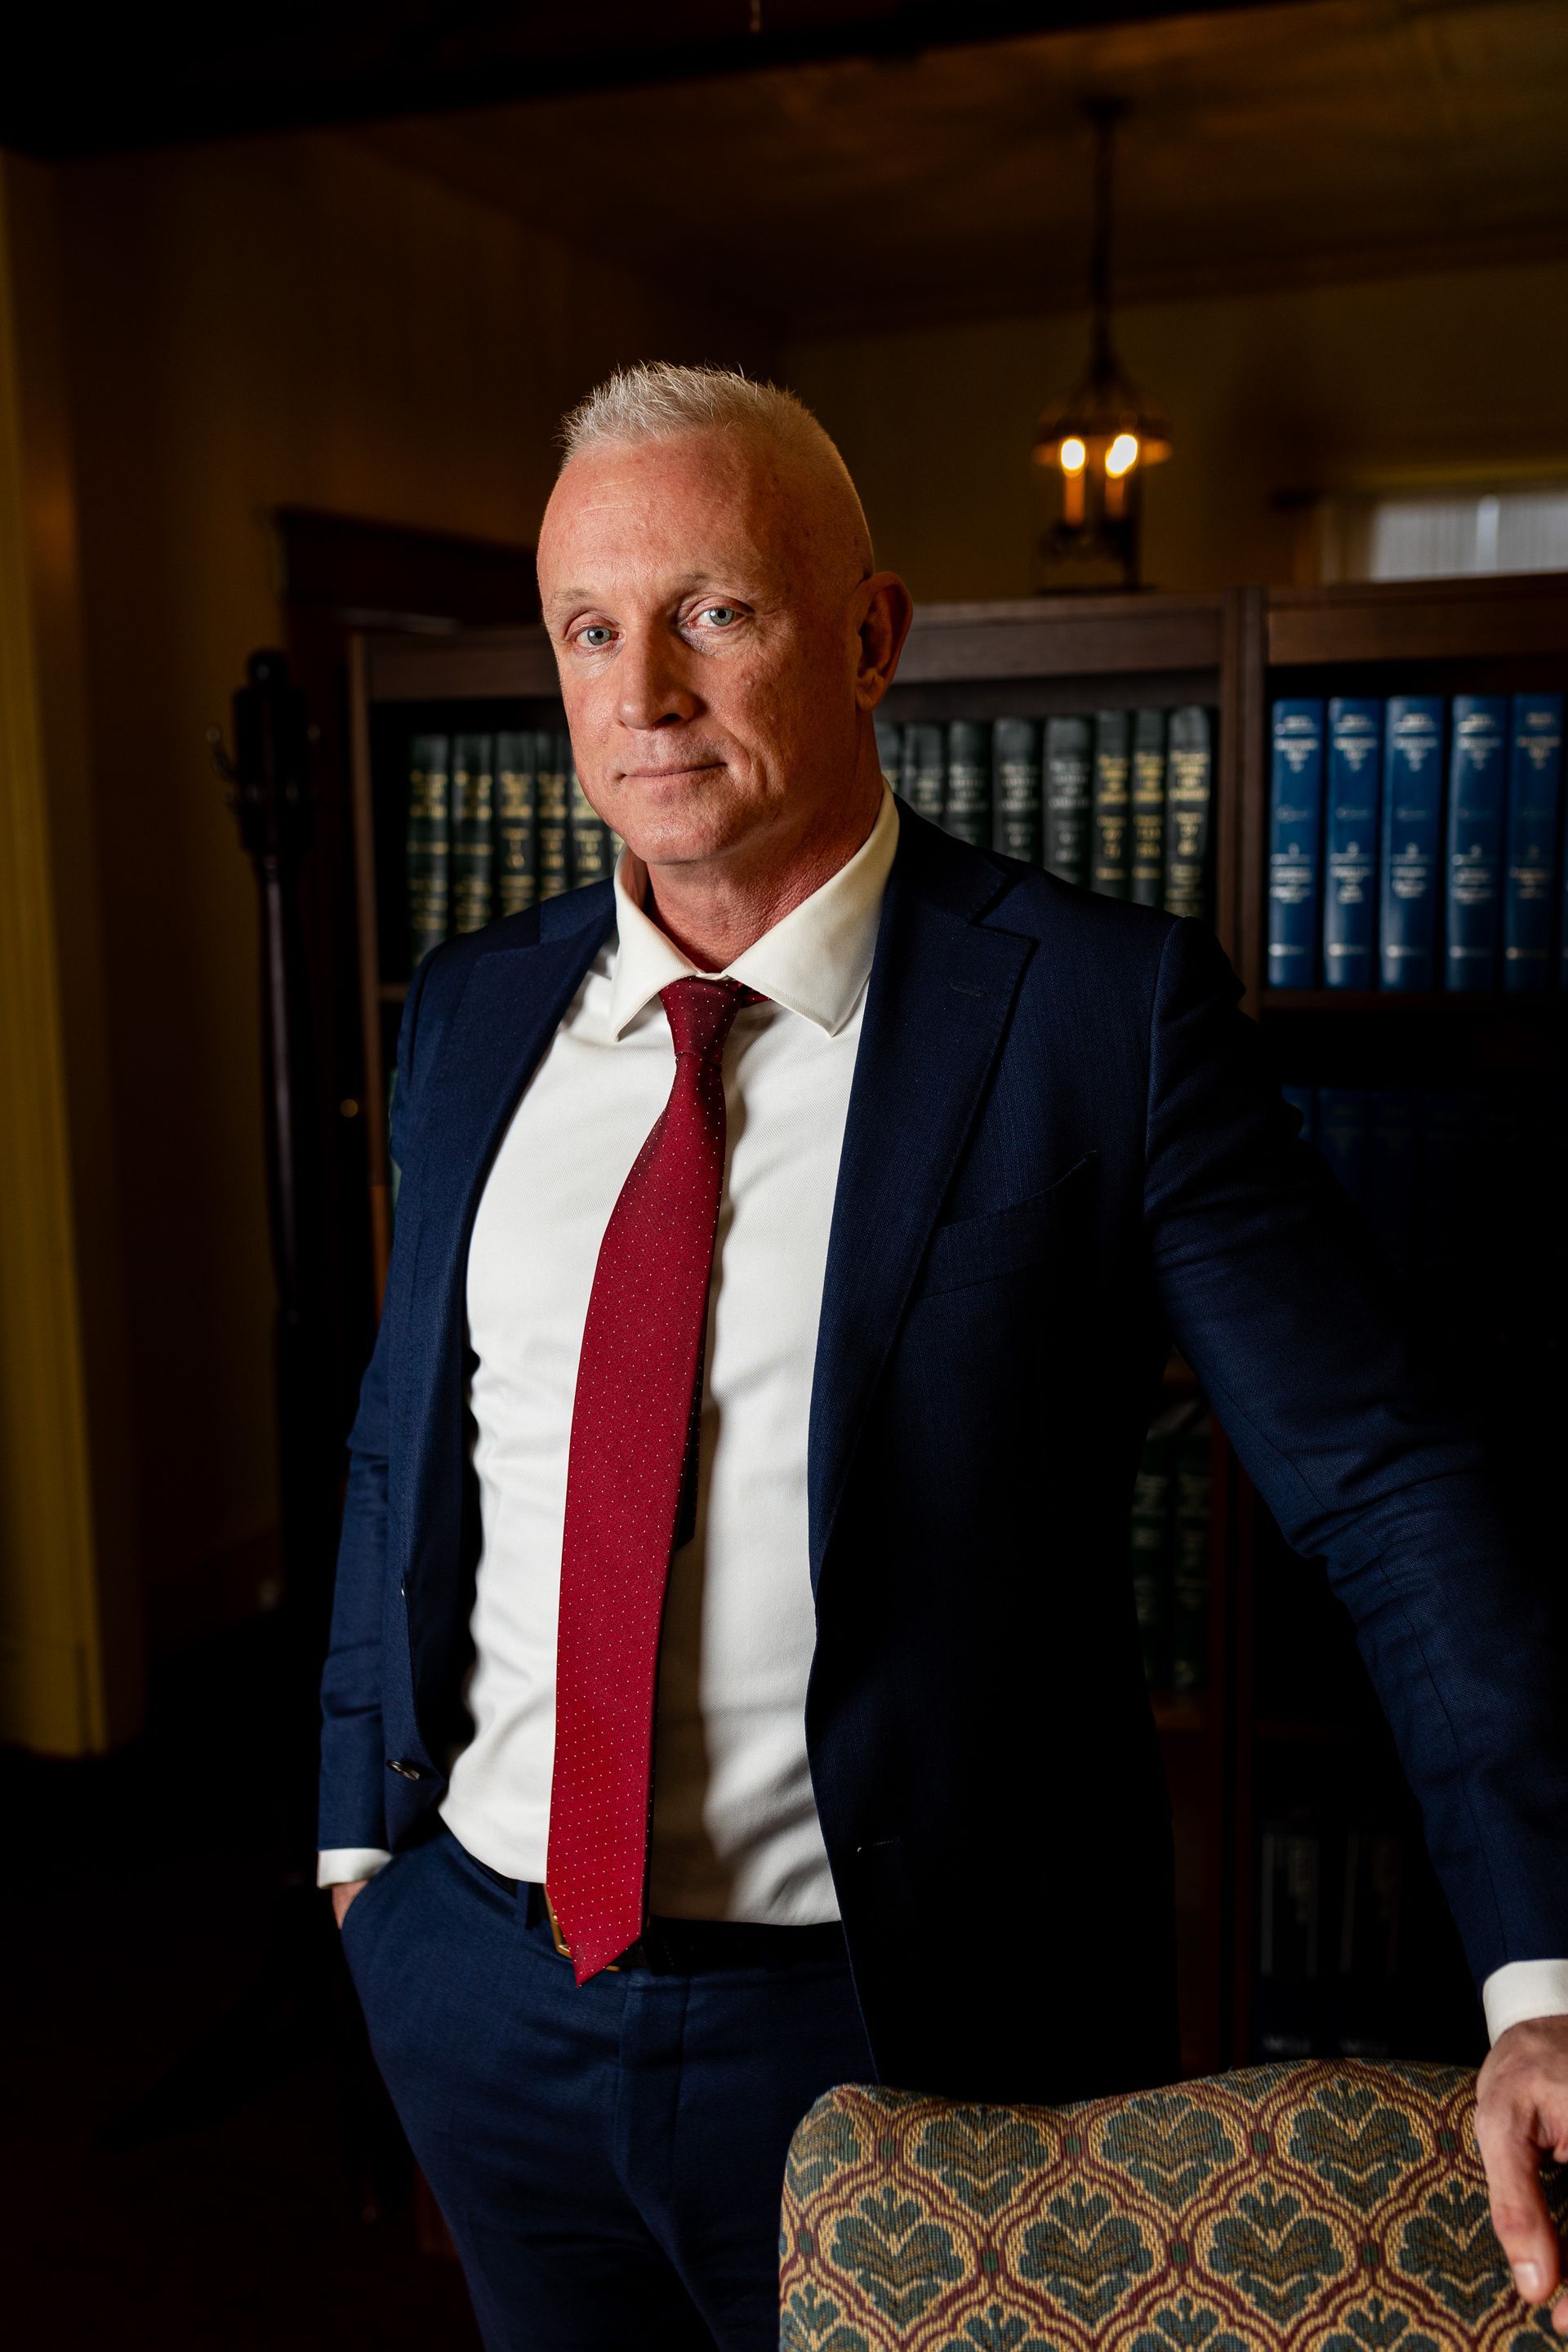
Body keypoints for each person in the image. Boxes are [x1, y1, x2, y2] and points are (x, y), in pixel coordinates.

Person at [318, 363, 1568, 2351]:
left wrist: (1541, 1977)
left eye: (712, 612)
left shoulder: (1099, 1014)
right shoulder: (472, 1013)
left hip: (909, 2042)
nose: (640, 691)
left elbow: (1390, 1489)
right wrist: (361, 1864)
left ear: (872, 634)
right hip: (485, 1993)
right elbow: (415, 1437)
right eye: (588, 628)